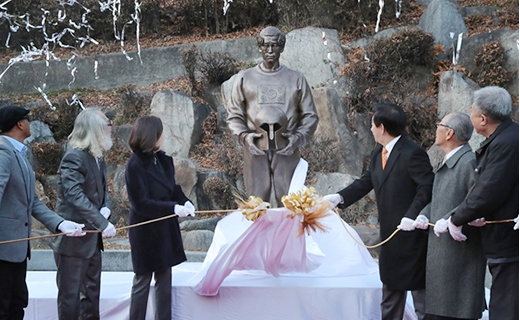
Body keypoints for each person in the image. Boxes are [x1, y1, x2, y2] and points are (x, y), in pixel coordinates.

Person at [324, 103, 434, 320]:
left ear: (381, 127)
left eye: (373, 125)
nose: (371, 129)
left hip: (411, 235)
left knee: (420, 296)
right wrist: (340, 197)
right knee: (390, 290)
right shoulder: (378, 153)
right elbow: (366, 181)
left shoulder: (413, 153)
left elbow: (427, 186)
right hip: (389, 235)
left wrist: (411, 215)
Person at [0, 105, 85, 320]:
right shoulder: (3, 153)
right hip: (3, 249)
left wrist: (60, 224)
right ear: (20, 124)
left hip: (16, 250)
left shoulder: (19, 154)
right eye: (27, 119)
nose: (30, 123)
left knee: (17, 303)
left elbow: (33, 203)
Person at [444, 86, 518, 320]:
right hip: (501, 234)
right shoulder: (506, 137)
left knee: (505, 304)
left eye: (472, 111)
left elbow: (488, 190)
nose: (471, 115)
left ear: (482, 119)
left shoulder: (506, 142)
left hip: (508, 238)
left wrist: (456, 219)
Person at [227, 26, 319, 206]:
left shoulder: (296, 78)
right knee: (255, 206)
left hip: (287, 148)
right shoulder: (245, 78)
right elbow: (234, 115)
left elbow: (310, 115)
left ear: (282, 47)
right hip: (255, 150)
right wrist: (245, 137)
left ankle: (290, 235)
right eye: (266, 45)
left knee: (290, 205)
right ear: (259, 47)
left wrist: (298, 138)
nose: (270, 50)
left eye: (275, 45)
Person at [414, 112, 486, 320]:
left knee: (455, 310)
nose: (436, 128)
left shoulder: (469, 162)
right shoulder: (449, 160)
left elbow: (476, 202)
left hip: (460, 255)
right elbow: (438, 199)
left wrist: (451, 219)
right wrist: (423, 215)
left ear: (449, 133)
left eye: (440, 124)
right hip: (442, 252)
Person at [125, 116, 195, 320]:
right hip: (145, 229)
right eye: (161, 132)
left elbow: (172, 188)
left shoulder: (163, 160)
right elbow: (141, 203)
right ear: (151, 136)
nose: (164, 136)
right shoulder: (135, 165)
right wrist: (173, 208)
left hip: (165, 228)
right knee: (143, 280)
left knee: (165, 279)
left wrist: (184, 201)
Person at [53, 107, 117, 320]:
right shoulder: (74, 157)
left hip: (92, 240)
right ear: (95, 130)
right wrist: (102, 222)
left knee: (91, 295)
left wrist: (106, 207)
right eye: (107, 125)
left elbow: (103, 189)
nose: (111, 129)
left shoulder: (97, 155)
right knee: (70, 298)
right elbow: (74, 195)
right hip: (74, 240)